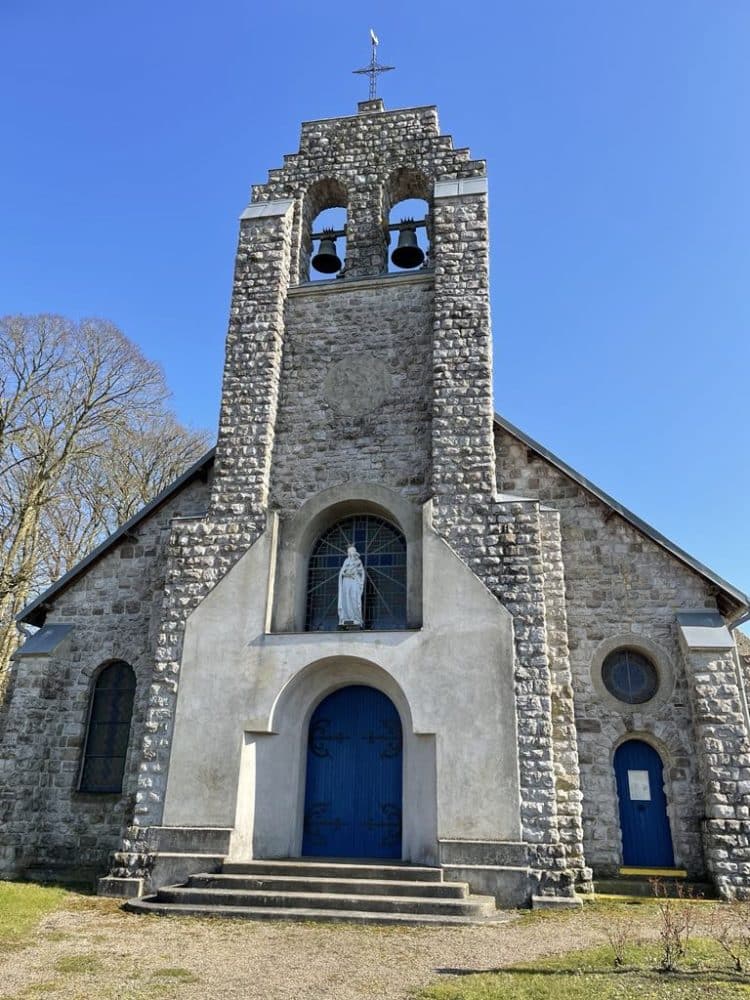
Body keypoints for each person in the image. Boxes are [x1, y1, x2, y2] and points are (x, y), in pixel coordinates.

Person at [338, 545, 365, 628]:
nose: (350, 554)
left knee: (354, 598)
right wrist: (346, 573)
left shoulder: (358, 561)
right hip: (346, 581)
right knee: (346, 598)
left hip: (354, 581)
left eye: (351, 552)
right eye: (349, 552)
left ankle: (356, 618)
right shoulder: (346, 561)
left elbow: (361, 572)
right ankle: (346, 617)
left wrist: (356, 572)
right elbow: (342, 572)